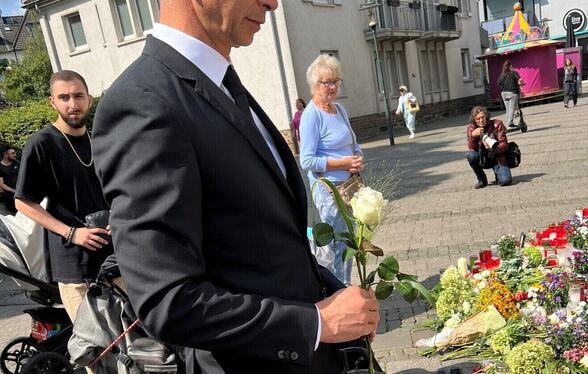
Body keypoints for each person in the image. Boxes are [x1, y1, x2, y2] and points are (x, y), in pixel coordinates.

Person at [91, 1, 380, 373]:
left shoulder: (220, 83)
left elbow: (261, 244)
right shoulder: (143, 103)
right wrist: (315, 324)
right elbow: (167, 300)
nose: (273, 3)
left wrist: (333, 294)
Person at [14, 70, 113, 324]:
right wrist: (71, 232)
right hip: (74, 266)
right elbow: (23, 202)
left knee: (131, 341)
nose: (73, 104)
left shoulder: (100, 141)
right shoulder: (42, 143)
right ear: (53, 102)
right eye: (64, 97)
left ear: (89, 99)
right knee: (94, 349)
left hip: (114, 258)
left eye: (78, 96)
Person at [300, 54, 364, 286]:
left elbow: (352, 141)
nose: (334, 86)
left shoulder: (339, 110)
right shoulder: (311, 116)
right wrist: (343, 163)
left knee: (350, 242)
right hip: (329, 191)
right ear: (314, 85)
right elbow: (307, 161)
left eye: (336, 81)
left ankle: (346, 287)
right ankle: (340, 292)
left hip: (350, 187)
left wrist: (357, 156)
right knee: (339, 245)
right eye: (328, 82)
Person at [466, 106, 512, 189]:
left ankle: (498, 173)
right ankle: (482, 179)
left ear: (486, 116)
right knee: (470, 155)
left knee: (505, 181)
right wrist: (473, 135)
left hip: (497, 157)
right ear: (474, 120)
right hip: (482, 158)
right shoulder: (471, 128)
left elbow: (504, 144)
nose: (481, 120)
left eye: (483, 117)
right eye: (478, 119)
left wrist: (493, 149)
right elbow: (471, 148)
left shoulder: (497, 124)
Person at [497, 60, 525, 132]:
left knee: (508, 109)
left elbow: (499, 83)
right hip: (512, 93)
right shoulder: (514, 73)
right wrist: (521, 83)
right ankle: (510, 123)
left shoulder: (502, 74)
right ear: (510, 66)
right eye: (512, 66)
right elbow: (520, 80)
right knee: (512, 108)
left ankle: (509, 123)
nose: (513, 67)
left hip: (504, 93)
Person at [0, 146, 19, 213]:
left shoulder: (17, 163)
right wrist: (14, 191)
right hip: (9, 192)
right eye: (12, 153)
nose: (15, 155)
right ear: (5, 155)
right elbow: (1, 184)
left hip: (20, 190)